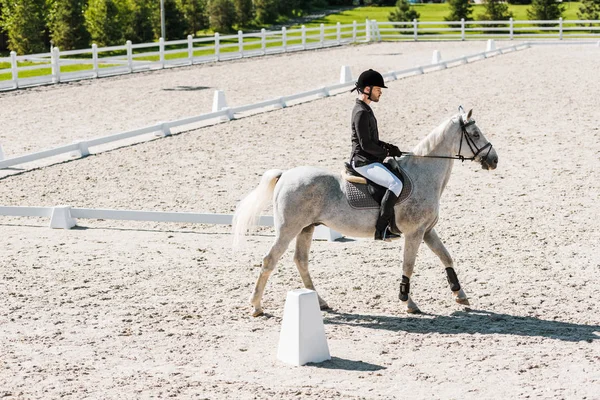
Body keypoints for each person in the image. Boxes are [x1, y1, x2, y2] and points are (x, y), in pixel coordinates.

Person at [350, 69, 403, 241]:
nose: (380, 92)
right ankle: (382, 229)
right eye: (378, 89)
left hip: (370, 158)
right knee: (395, 184)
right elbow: (365, 145)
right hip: (362, 162)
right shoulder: (361, 112)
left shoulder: (366, 109)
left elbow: (372, 139)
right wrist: (385, 152)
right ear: (367, 89)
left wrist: (389, 147)